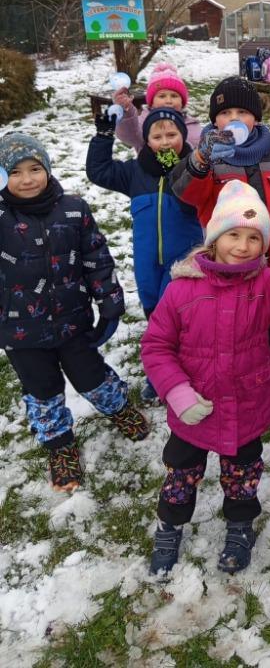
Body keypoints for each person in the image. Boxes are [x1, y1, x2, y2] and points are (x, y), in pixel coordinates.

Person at [142, 180, 270, 575]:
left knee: (242, 475)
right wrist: (177, 392)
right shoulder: (181, 289)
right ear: (214, 238)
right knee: (181, 473)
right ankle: (169, 528)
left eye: (253, 238)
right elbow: (156, 346)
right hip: (194, 411)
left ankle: (240, 527)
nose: (243, 246)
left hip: (246, 406)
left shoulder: (262, 285)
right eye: (233, 235)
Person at [0, 133, 148, 492]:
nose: (27, 179)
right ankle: (60, 446)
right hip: (21, 332)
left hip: (72, 322)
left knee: (92, 376)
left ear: (48, 169)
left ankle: (119, 409)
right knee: (42, 391)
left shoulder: (73, 209)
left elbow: (96, 258)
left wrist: (109, 303)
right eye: (15, 172)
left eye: (35, 169)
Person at [171, 76, 270, 407]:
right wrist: (200, 160)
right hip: (230, 266)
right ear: (214, 121)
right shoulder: (209, 160)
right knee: (234, 326)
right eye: (225, 113)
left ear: (256, 119)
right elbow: (185, 192)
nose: (233, 119)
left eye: (242, 112)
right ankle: (239, 377)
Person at [86, 107, 204, 399]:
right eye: (157, 136)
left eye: (171, 134)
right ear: (147, 140)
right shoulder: (135, 172)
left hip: (183, 260)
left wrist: (189, 168)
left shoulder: (194, 169)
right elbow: (99, 172)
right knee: (154, 315)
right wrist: (103, 137)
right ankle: (162, 367)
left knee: (175, 316)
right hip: (147, 262)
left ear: (183, 135)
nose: (165, 142)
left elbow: (208, 192)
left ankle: (178, 371)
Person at [113, 62, 203, 153]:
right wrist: (126, 113)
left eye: (174, 96)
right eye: (162, 96)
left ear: (182, 102)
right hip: (149, 162)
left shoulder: (190, 124)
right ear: (152, 102)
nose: (168, 101)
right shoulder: (144, 121)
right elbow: (129, 136)